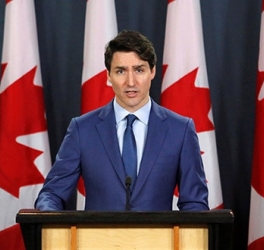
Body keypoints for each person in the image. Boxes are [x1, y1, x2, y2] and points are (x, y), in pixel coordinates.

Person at [35, 30, 209, 211]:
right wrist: (50, 220)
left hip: (157, 239)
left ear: (153, 71)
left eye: (139, 70)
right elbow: (52, 194)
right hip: (98, 239)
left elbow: (195, 203)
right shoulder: (82, 129)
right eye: (120, 71)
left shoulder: (180, 130)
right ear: (108, 76)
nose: (131, 82)